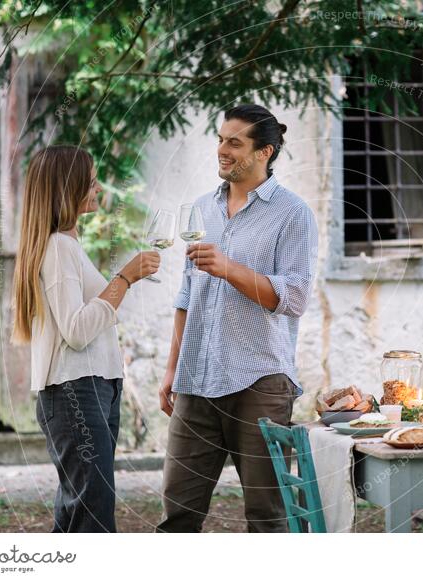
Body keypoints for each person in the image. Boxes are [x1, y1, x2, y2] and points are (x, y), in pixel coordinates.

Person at [156, 104, 318, 533]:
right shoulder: (202, 209)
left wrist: (229, 268)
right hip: (196, 380)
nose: (222, 150)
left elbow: (295, 297)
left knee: (268, 517)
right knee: (177, 515)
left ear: (264, 151)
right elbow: (187, 296)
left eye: (234, 142)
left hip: (260, 381)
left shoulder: (292, 213)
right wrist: (172, 368)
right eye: (220, 139)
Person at [11, 145, 160, 532]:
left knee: (80, 511)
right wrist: (124, 279)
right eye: (90, 181)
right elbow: (76, 331)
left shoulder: (67, 244)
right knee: (92, 517)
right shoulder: (58, 247)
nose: (97, 188)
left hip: (93, 388)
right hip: (76, 390)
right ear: (68, 188)